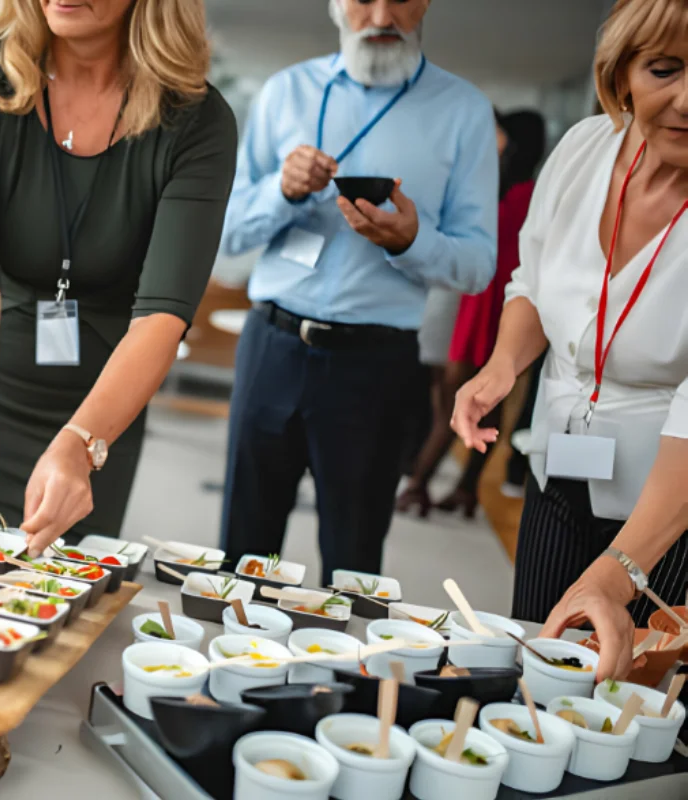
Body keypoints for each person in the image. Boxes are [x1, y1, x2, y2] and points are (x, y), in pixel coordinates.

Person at [0, 0, 237, 554]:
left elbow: (162, 313)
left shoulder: (197, 122)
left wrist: (81, 442)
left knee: (59, 592)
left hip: (100, 408)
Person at [219, 0, 498, 585]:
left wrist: (413, 240)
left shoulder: (464, 111)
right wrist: (281, 191)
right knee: (244, 550)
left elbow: (478, 266)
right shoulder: (285, 91)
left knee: (352, 566)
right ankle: (232, 672)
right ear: (335, 6)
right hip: (271, 345)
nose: (380, 14)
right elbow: (229, 232)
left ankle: (339, 680)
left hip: (375, 363)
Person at [452, 0, 688, 680]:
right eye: (665, 69)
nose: (686, 99)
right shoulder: (586, 148)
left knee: (628, 698)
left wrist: (619, 575)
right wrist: (502, 367)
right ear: (622, 77)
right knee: (534, 659)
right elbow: (533, 276)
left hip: (669, 507)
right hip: (561, 465)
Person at [398, 110, 546, 518]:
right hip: (479, 301)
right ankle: (456, 489)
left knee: (463, 400)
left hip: (495, 303)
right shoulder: (507, 186)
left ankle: (421, 485)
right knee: (465, 398)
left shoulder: (521, 192)